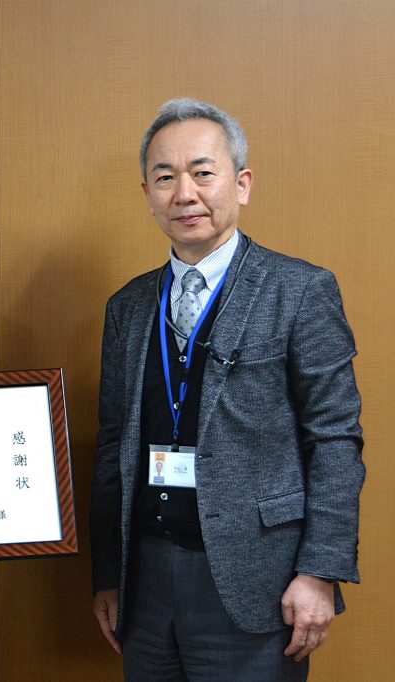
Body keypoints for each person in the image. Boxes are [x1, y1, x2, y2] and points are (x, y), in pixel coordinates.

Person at [89, 98, 365, 680]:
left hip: (260, 580)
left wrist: (320, 571)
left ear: (241, 184)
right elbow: (113, 444)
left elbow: (335, 439)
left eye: (202, 172)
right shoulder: (128, 306)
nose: (184, 193)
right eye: (165, 177)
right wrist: (108, 575)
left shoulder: (300, 290)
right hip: (145, 581)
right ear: (147, 193)